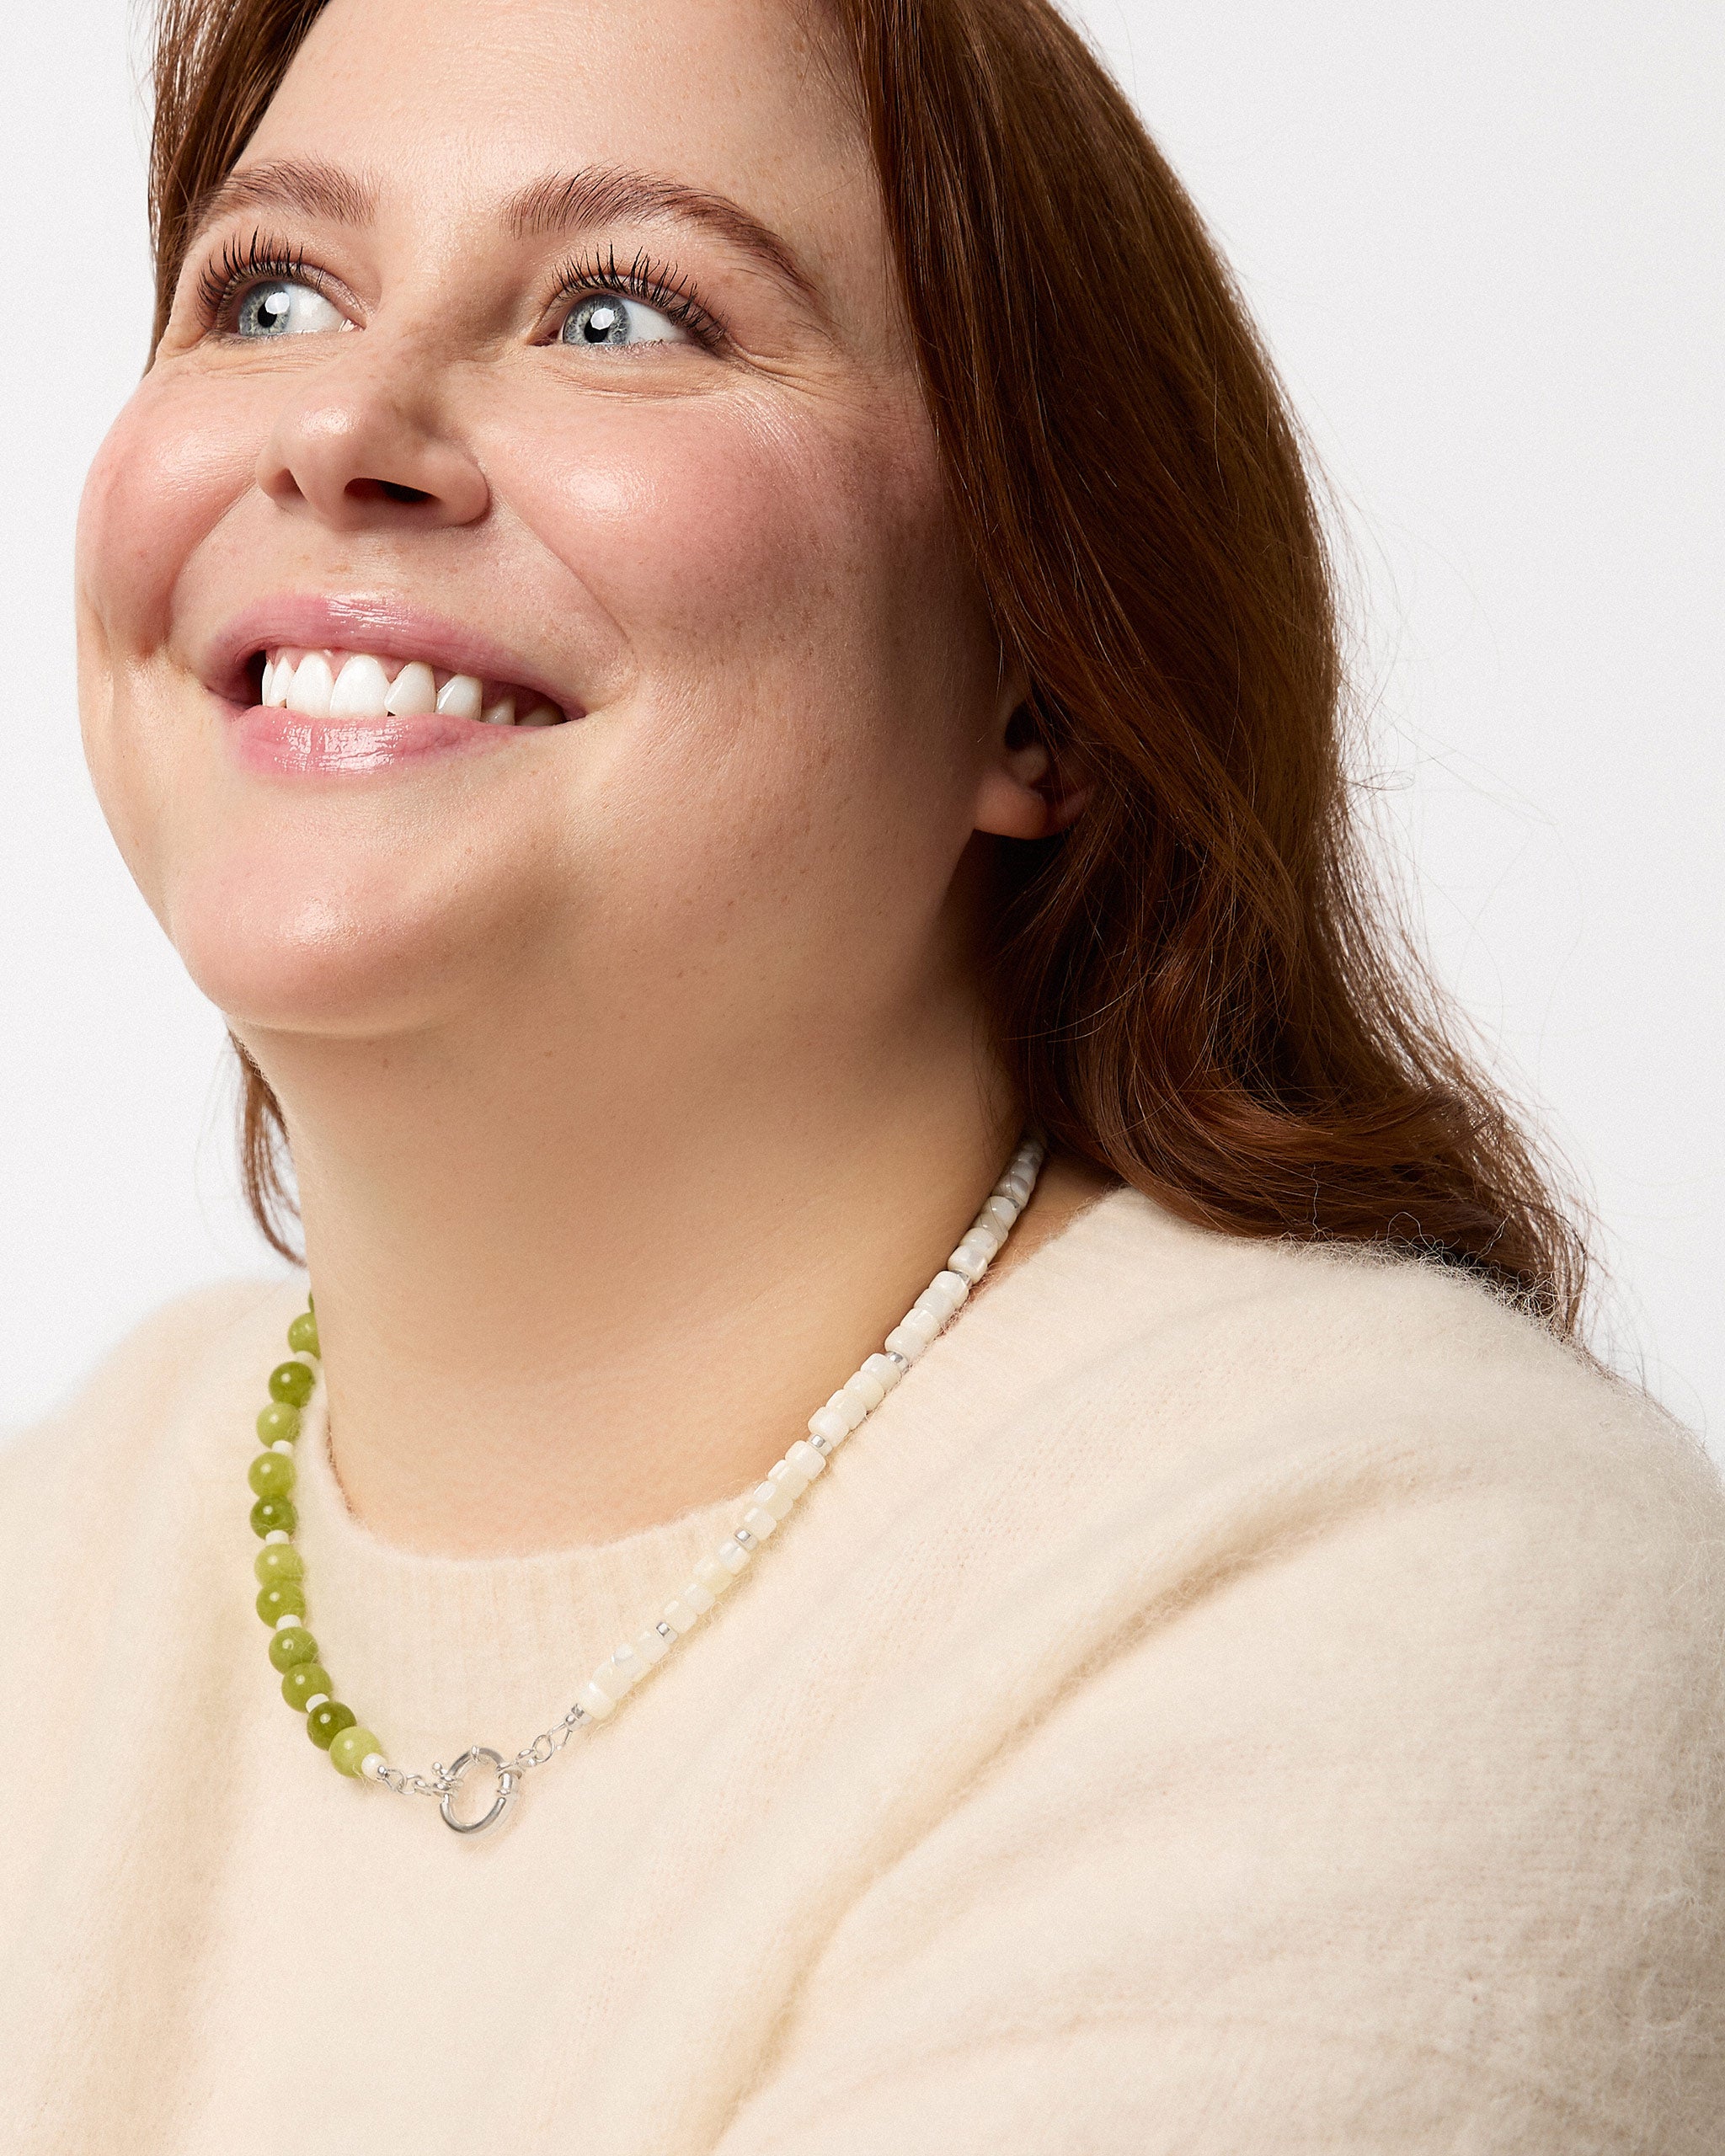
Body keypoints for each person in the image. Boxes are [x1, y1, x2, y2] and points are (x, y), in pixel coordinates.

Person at [3, 0, 1720, 2145]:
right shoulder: (64, 1540)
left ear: (1041, 676)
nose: (346, 419)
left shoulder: (1401, 1584)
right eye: (269, 289)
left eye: (623, 310)